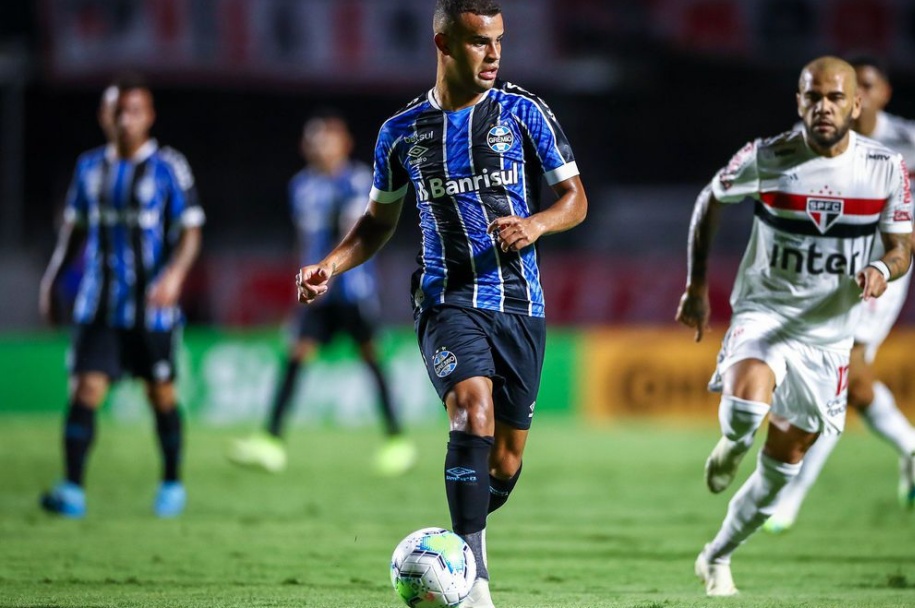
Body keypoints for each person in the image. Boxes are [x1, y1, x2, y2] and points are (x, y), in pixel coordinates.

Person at [297, 1, 586, 605]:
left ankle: (463, 533)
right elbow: (376, 223)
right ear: (445, 43)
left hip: (520, 306)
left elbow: (574, 199)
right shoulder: (400, 133)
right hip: (445, 301)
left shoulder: (523, 113)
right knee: (469, 410)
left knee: (503, 463)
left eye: (499, 41)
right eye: (480, 42)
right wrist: (331, 264)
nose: (494, 54)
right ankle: (474, 579)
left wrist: (536, 224)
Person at [676, 57, 913, 596]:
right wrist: (695, 285)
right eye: (813, 97)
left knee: (782, 469)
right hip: (765, 311)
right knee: (747, 407)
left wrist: (880, 268)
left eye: (834, 98)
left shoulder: (885, 169)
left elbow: (901, 251)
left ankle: (717, 555)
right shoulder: (770, 155)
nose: (823, 107)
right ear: (799, 101)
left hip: (829, 338)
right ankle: (733, 442)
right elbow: (711, 198)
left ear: (857, 105)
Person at [764, 56, 915, 533]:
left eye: (866, 86)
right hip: (830, 270)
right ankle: (911, 442)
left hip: (881, 272)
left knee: (839, 373)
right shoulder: (829, 139)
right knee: (854, 385)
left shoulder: (909, 138)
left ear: (880, 95)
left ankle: (791, 495)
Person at [38, 77, 205, 519]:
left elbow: (190, 230)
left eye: (134, 110)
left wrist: (173, 276)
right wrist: (52, 279)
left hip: (153, 308)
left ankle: (171, 482)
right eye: (117, 111)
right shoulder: (89, 167)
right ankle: (72, 488)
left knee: (161, 394)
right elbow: (73, 231)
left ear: (149, 116)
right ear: (104, 116)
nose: (125, 119)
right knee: (85, 389)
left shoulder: (169, 166)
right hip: (100, 304)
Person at [227, 111, 417, 476]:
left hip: (354, 290)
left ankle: (397, 439)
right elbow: (304, 243)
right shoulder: (301, 187)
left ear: (344, 143)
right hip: (318, 296)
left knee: (372, 359)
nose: (320, 146)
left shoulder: (360, 181)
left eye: (327, 139)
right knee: (296, 357)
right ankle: (270, 441)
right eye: (314, 139)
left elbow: (363, 232)